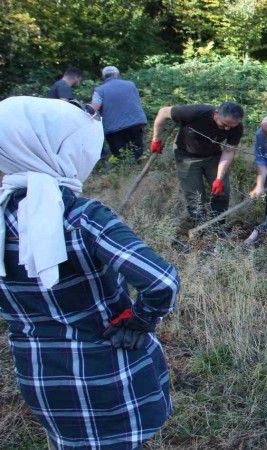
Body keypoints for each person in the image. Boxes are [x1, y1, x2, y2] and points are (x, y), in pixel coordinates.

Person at [0, 96, 180, 449]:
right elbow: (161, 281)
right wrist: (139, 320)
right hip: (107, 374)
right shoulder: (82, 217)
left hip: (42, 378)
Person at [150, 102, 244, 230]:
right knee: (195, 195)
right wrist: (156, 139)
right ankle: (201, 228)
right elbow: (163, 112)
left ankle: (218, 226)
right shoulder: (195, 112)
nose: (227, 129)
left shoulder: (236, 127)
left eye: (231, 127)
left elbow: (228, 152)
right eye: (224, 125)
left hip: (212, 155)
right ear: (216, 114)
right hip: (186, 155)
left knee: (222, 191)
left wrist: (219, 178)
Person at [91, 66, 148, 162]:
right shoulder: (131, 85)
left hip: (114, 128)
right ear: (117, 74)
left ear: (103, 77)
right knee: (137, 153)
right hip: (135, 123)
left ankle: (123, 174)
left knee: (120, 157)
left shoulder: (99, 90)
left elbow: (94, 109)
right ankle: (138, 171)